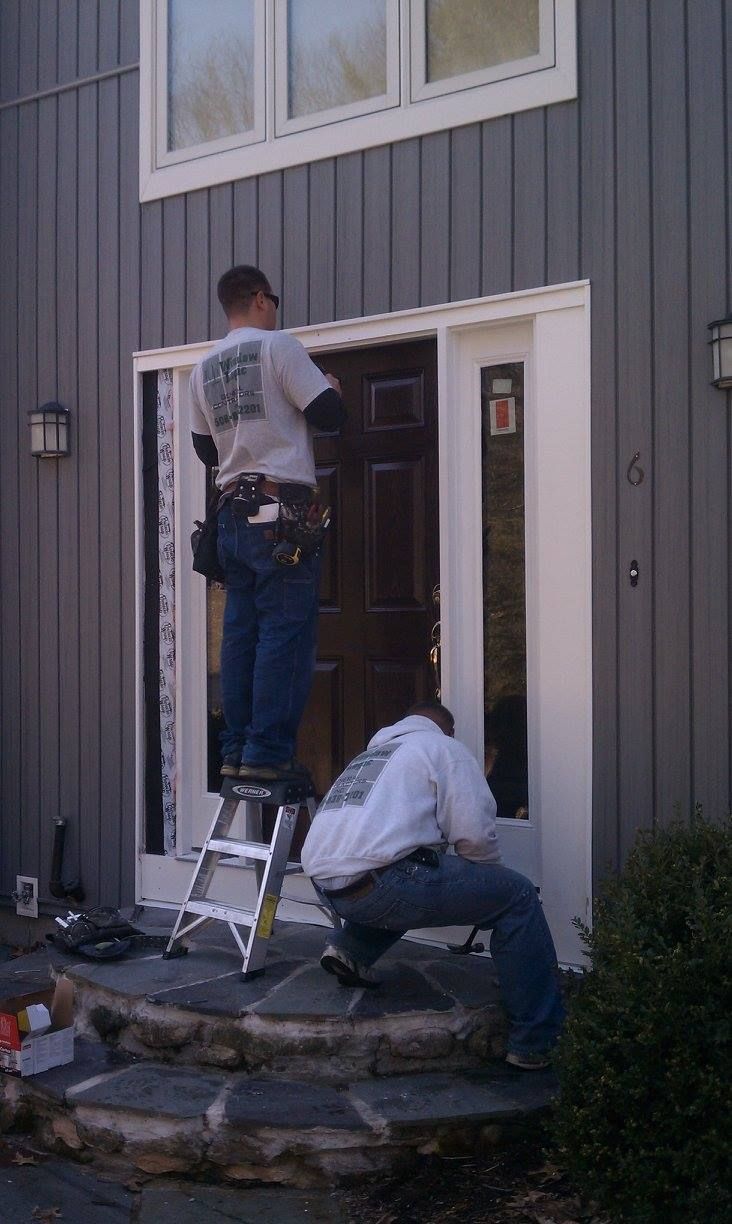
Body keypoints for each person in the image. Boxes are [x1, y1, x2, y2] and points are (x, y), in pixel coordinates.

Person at [301, 700, 565, 1069]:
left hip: (327, 887)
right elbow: (474, 834)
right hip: (384, 885)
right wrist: (486, 885)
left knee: (415, 868)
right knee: (515, 896)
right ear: (447, 730)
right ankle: (536, 1042)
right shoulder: (444, 749)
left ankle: (350, 950)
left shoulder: (369, 757)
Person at [189, 265, 346, 781]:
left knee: (240, 635)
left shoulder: (202, 370)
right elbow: (329, 416)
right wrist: (330, 387)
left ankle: (235, 750)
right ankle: (268, 753)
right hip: (281, 514)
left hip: (232, 515)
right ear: (258, 298)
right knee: (285, 634)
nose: (275, 306)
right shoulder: (278, 347)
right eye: (272, 298)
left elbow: (204, 448)